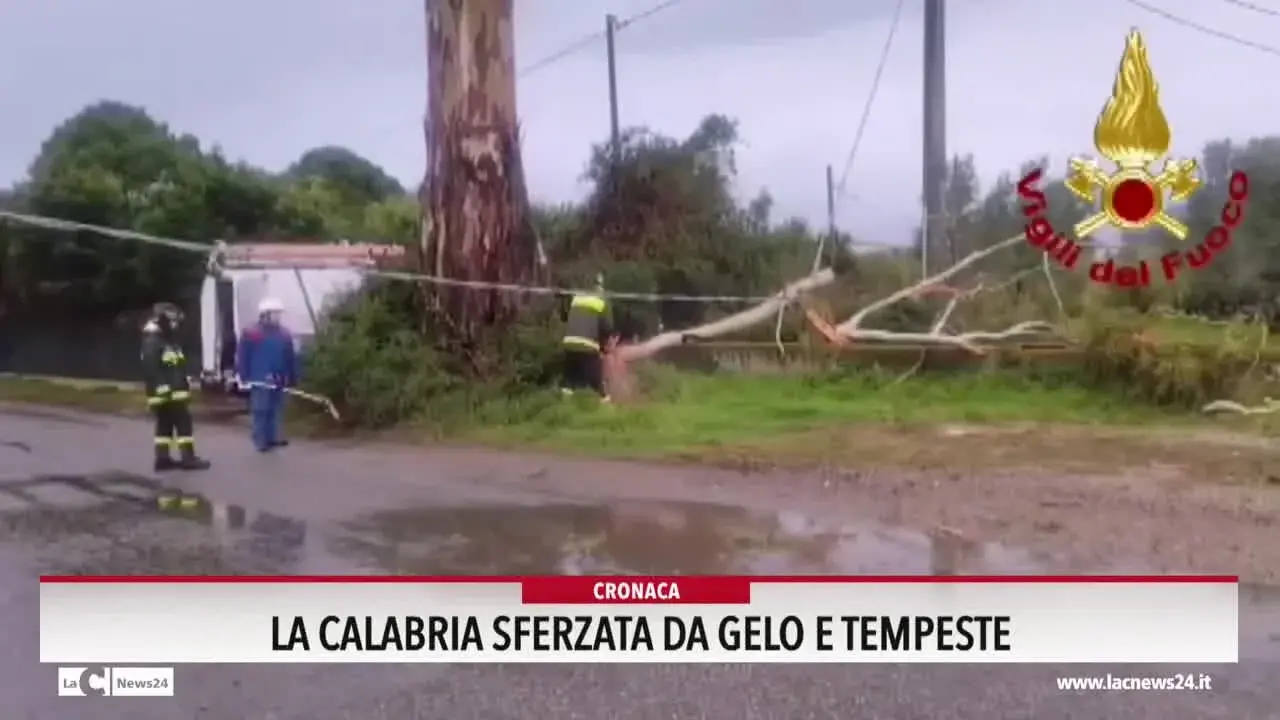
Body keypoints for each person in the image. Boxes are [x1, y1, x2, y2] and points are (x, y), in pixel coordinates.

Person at [141, 303, 211, 472]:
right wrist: (164, 389)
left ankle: (162, 459)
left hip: (172, 392)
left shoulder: (166, 340)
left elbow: (174, 366)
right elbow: (152, 369)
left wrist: (186, 380)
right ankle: (188, 458)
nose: (175, 325)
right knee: (183, 424)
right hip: (168, 394)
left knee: (165, 425)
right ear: (162, 320)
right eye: (172, 321)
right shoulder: (153, 341)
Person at [236, 297, 297, 452]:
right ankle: (260, 440)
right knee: (261, 409)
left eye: (279, 314)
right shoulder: (252, 332)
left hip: (279, 377)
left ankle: (273, 437)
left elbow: (290, 356)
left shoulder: (284, 334)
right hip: (259, 377)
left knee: (276, 408)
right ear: (265, 314)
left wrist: (292, 375)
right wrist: (243, 374)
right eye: (275, 313)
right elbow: (243, 354)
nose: (278, 317)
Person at [560, 274, 618, 402]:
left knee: (569, 379)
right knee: (596, 380)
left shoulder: (578, 296)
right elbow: (607, 327)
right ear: (601, 286)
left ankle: (564, 405)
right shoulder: (602, 299)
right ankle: (606, 404)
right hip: (587, 344)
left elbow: (568, 316)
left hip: (569, 342)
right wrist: (605, 347)